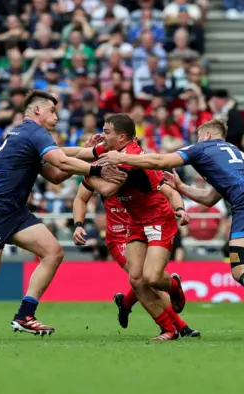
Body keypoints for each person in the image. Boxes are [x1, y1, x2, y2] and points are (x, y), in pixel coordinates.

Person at [0, 90, 128, 340]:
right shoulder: (33, 132)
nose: (57, 115)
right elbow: (62, 162)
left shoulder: (27, 134)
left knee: (53, 252)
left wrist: (89, 152)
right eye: (52, 110)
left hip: (16, 212)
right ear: (37, 111)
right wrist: (98, 169)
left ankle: (24, 315)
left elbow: (57, 174)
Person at [99, 118, 244, 341]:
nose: (196, 141)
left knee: (240, 269)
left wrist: (121, 157)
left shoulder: (203, 147)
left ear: (207, 136)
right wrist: (180, 187)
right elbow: (209, 198)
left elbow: (160, 161)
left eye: (198, 137)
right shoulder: (233, 152)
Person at [84, 115, 198, 341]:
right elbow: (77, 156)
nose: (102, 136)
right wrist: (51, 153)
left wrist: (180, 209)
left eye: (107, 132)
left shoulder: (134, 160)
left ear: (122, 137)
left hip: (158, 219)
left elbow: (107, 190)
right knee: (136, 280)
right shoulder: (111, 155)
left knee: (152, 278)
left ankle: (173, 285)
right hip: (135, 223)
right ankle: (168, 330)